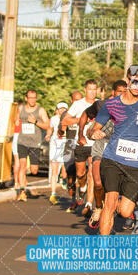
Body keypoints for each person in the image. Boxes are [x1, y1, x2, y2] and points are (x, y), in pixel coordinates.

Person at [88, 65, 138, 236]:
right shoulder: (111, 104)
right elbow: (93, 128)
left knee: (125, 211)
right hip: (113, 159)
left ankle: (117, 208)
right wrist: (93, 132)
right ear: (127, 80)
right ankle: (103, 244)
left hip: (137, 163)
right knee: (110, 201)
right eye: (135, 82)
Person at [82, 80, 127, 228]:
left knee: (115, 186)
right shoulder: (101, 105)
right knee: (98, 182)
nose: (122, 95)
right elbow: (85, 115)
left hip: (118, 151)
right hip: (101, 147)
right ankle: (98, 207)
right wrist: (85, 134)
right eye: (119, 92)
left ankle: (113, 210)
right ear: (113, 93)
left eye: (124, 92)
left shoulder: (130, 110)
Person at [62, 79, 99, 214]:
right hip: (81, 143)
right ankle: (82, 188)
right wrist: (82, 119)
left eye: (94, 89)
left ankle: (88, 205)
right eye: (90, 89)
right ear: (85, 90)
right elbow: (66, 120)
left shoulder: (100, 104)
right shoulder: (78, 104)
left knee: (92, 174)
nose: (92, 92)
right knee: (80, 174)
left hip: (95, 144)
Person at [15, 90, 50, 201]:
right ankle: (22, 191)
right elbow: (14, 119)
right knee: (22, 165)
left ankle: (25, 185)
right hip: (22, 141)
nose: (32, 100)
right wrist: (15, 121)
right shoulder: (21, 109)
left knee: (34, 170)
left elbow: (48, 125)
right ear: (26, 98)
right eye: (30, 98)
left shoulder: (40, 110)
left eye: (34, 98)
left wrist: (35, 122)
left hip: (35, 143)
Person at [46, 102, 69, 205]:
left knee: (65, 170)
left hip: (66, 144)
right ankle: (53, 193)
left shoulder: (69, 119)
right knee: (54, 169)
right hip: (55, 144)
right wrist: (48, 135)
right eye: (60, 109)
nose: (62, 110)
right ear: (57, 109)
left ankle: (64, 180)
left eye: (64, 108)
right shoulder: (54, 119)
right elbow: (50, 129)